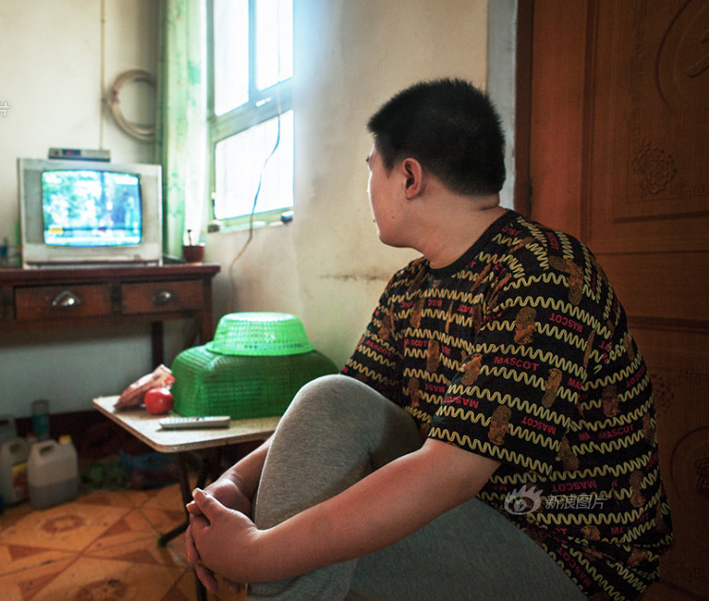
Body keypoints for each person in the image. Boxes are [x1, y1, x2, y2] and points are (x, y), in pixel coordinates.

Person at [186, 78, 673, 600]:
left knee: (301, 548)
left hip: (566, 546)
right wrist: (235, 482)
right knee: (328, 399)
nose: (369, 190)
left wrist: (255, 552)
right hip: (475, 508)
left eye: (372, 170)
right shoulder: (410, 287)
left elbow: (449, 473)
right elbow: (335, 414)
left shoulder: (543, 274)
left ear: (410, 177)